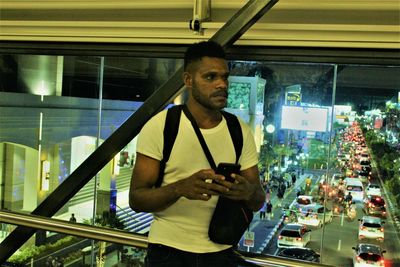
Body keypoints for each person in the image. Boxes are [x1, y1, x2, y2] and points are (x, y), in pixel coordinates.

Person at [129, 41, 265, 267]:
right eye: (210, 77)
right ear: (188, 80)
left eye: (224, 77)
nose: (221, 84)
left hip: (221, 251)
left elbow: (258, 200)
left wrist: (246, 191)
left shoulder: (238, 130)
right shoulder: (162, 126)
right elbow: (137, 198)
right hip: (168, 252)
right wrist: (179, 188)